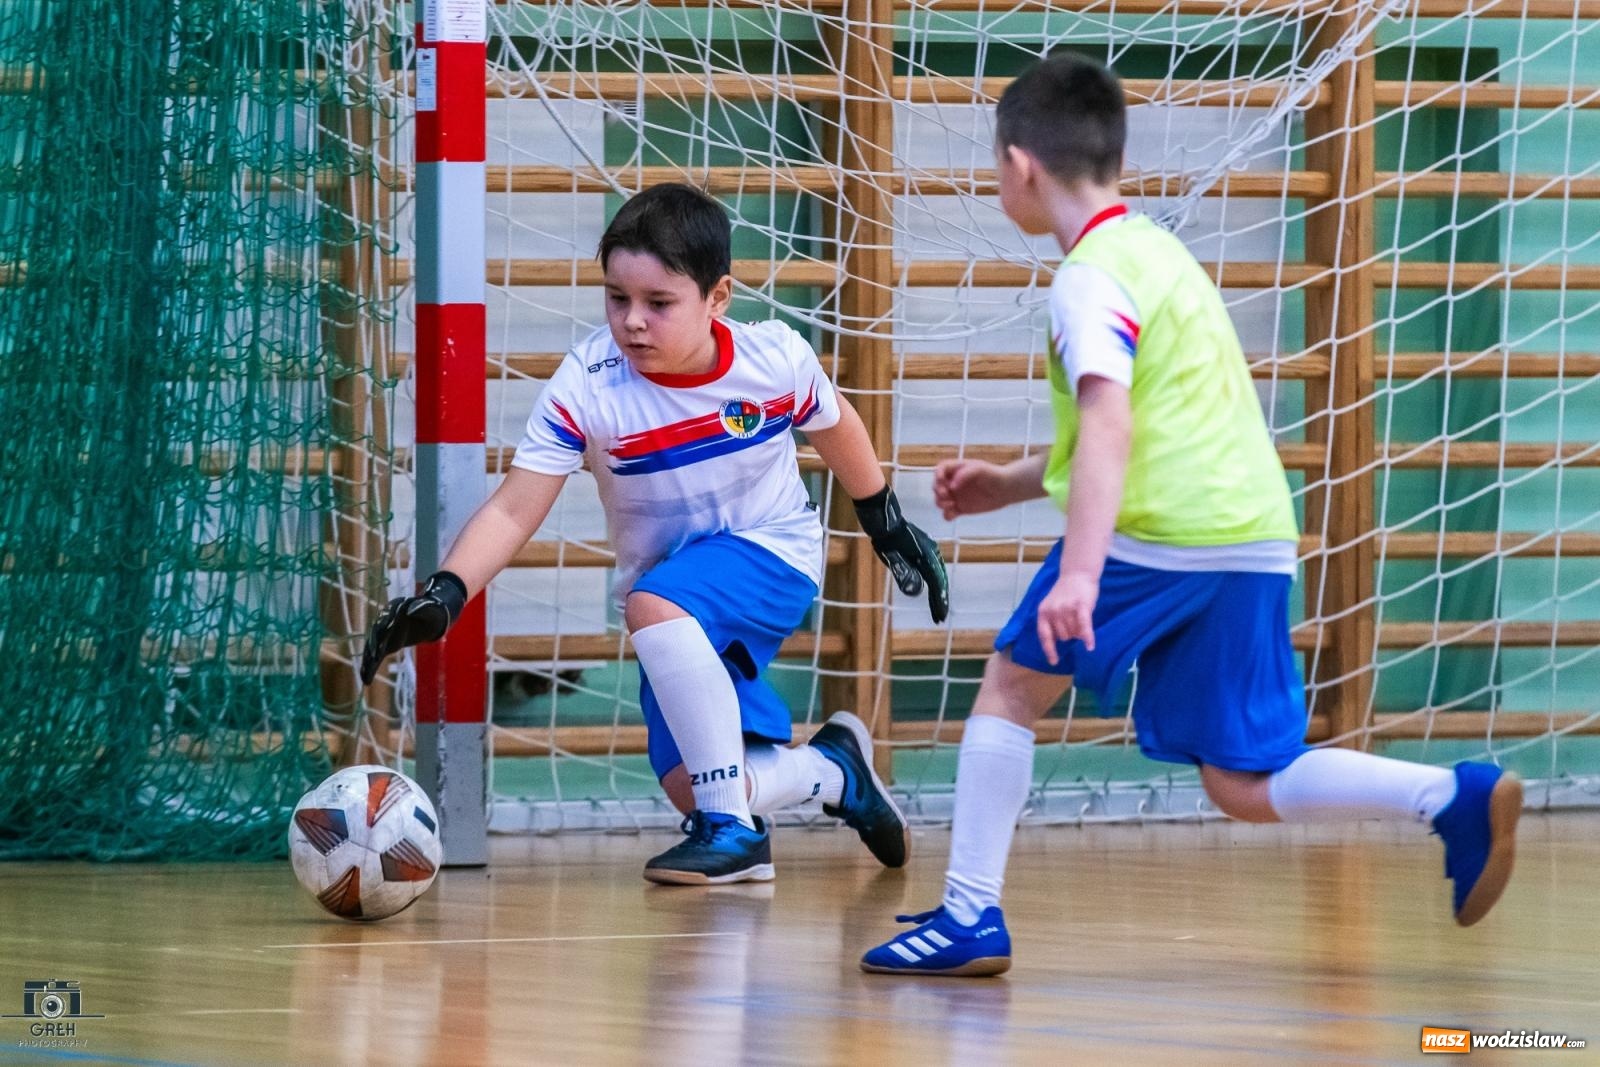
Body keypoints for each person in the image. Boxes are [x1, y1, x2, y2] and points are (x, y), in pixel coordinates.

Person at [860, 53, 1522, 976]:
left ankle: (970, 915)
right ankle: (1451, 794)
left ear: (1017, 166)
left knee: (1010, 687)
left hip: (1157, 541)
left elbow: (1112, 421)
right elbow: (1155, 426)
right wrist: (1009, 483)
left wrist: (1083, 573)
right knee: (1243, 780)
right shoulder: (1159, 253)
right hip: (1251, 537)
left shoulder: (1086, 278)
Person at [360, 183, 949, 885]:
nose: (632, 321)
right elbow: (516, 507)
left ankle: (732, 834)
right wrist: (448, 592)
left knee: (656, 608)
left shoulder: (775, 360)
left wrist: (884, 519)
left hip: (774, 553)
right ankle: (834, 772)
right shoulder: (588, 386)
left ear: (718, 297)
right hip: (676, 597)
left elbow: (837, 423)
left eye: (658, 303)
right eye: (617, 298)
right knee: (694, 781)